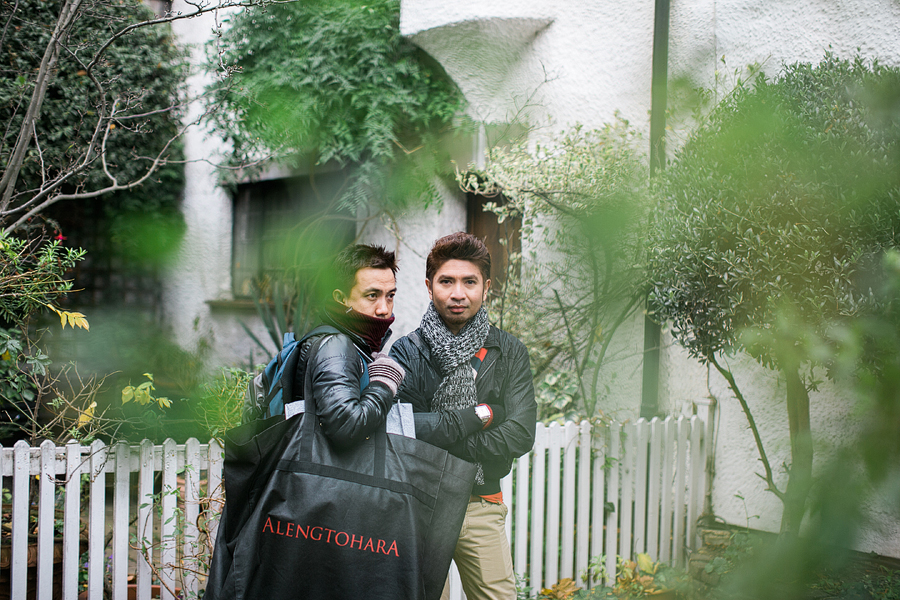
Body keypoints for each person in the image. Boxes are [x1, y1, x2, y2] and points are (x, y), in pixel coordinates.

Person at [390, 232, 537, 600]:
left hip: (481, 504)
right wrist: (481, 416)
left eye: (469, 282)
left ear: (486, 288)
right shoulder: (406, 352)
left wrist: (444, 441)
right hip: (419, 507)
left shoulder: (509, 352)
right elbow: (402, 431)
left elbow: (520, 433)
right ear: (429, 287)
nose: (458, 293)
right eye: (447, 282)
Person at [245, 243, 407, 447]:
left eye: (390, 296)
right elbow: (347, 426)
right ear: (340, 298)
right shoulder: (336, 346)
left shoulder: (350, 343)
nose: (384, 309)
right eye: (372, 296)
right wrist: (383, 383)